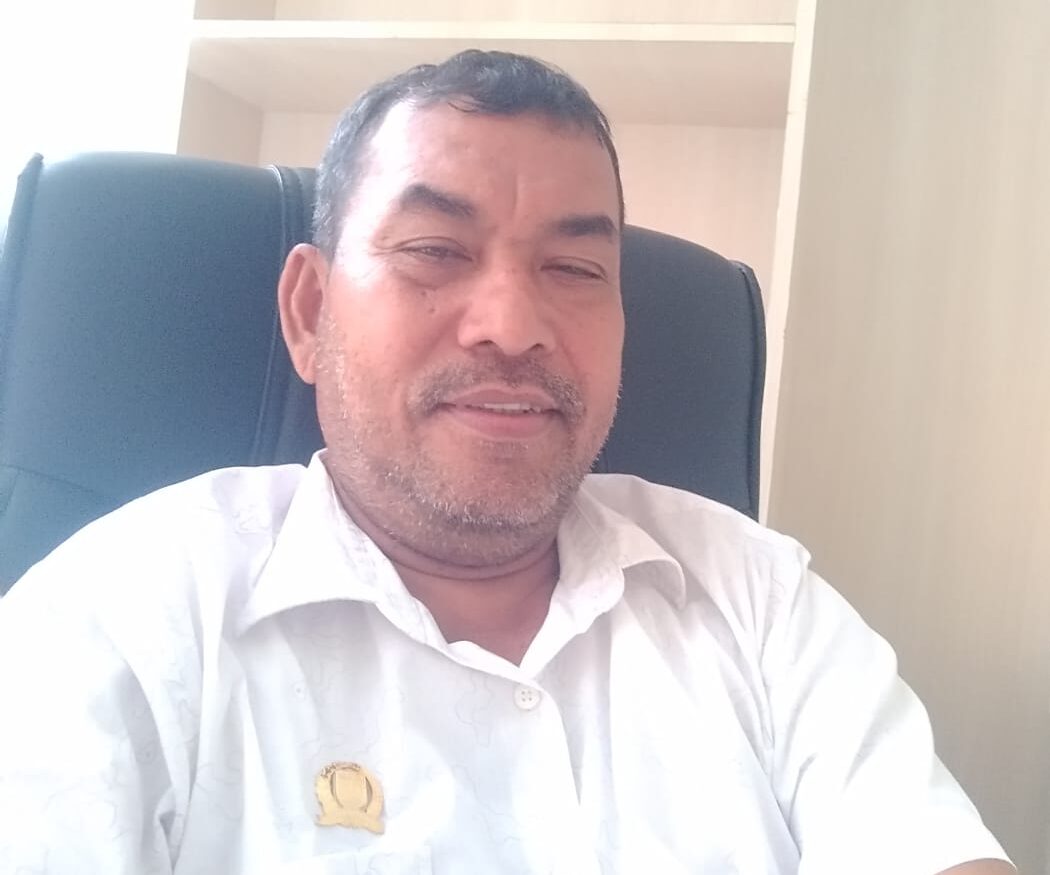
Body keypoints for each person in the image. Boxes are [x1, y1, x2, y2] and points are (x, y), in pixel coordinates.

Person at [0, 51, 1013, 875]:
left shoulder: (756, 597)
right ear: (310, 313)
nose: (513, 325)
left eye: (574, 268)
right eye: (435, 250)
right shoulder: (120, 619)